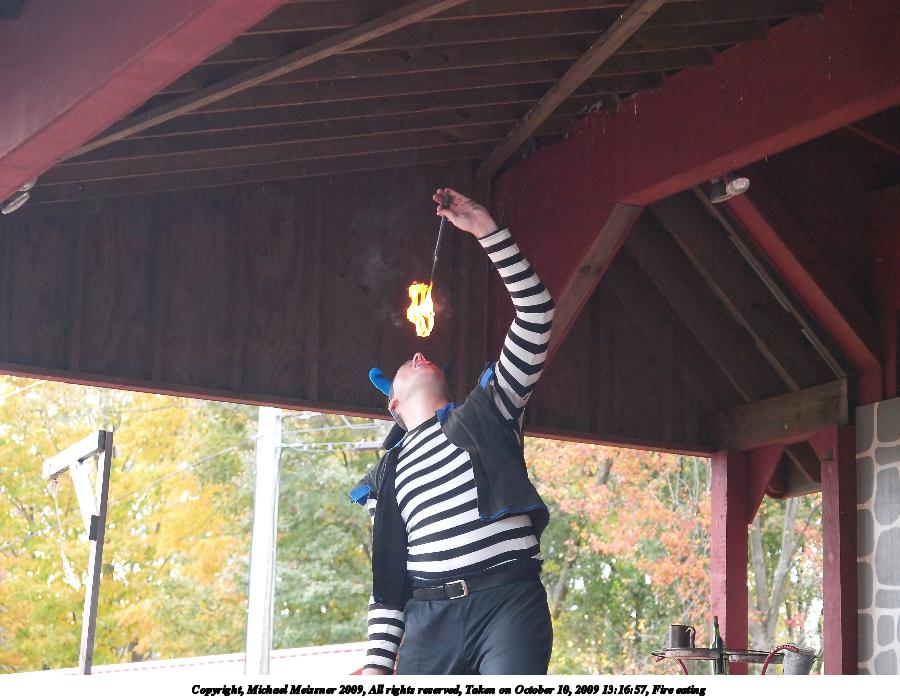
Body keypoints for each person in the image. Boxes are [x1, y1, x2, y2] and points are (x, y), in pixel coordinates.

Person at [349, 187, 555, 675]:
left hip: (506, 603)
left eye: (422, 357)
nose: (419, 354)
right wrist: (377, 665)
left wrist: (486, 230)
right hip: (428, 621)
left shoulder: (490, 408)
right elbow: (388, 579)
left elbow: (537, 313)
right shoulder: (387, 475)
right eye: (406, 364)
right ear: (393, 403)